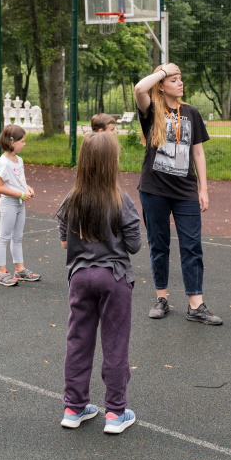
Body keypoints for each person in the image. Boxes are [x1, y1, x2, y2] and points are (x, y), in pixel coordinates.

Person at [56, 132, 142, 434]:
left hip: (80, 277)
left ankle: (74, 407)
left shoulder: (72, 199)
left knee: (78, 342)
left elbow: (65, 241)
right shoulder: (122, 200)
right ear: (112, 163)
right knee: (115, 343)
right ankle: (116, 413)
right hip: (114, 278)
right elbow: (134, 245)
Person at [133, 63, 221, 326]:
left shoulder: (191, 113)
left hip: (185, 191)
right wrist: (162, 72)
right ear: (161, 84)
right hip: (154, 190)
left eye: (180, 78)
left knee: (192, 246)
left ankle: (196, 305)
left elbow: (198, 153)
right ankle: (161, 298)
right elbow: (139, 88)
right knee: (159, 246)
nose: (180, 83)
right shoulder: (151, 110)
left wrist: (203, 189)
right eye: (173, 79)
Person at [0, 124, 40, 287]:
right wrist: (20, 194)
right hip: (9, 204)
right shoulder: (4, 163)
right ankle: (1, 273)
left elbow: (19, 181)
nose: (24, 144)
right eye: (22, 141)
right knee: (4, 237)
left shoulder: (18, 160)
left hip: (20, 204)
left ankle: (19, 270)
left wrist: (27, 189)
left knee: (18, 237)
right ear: (13, 142)